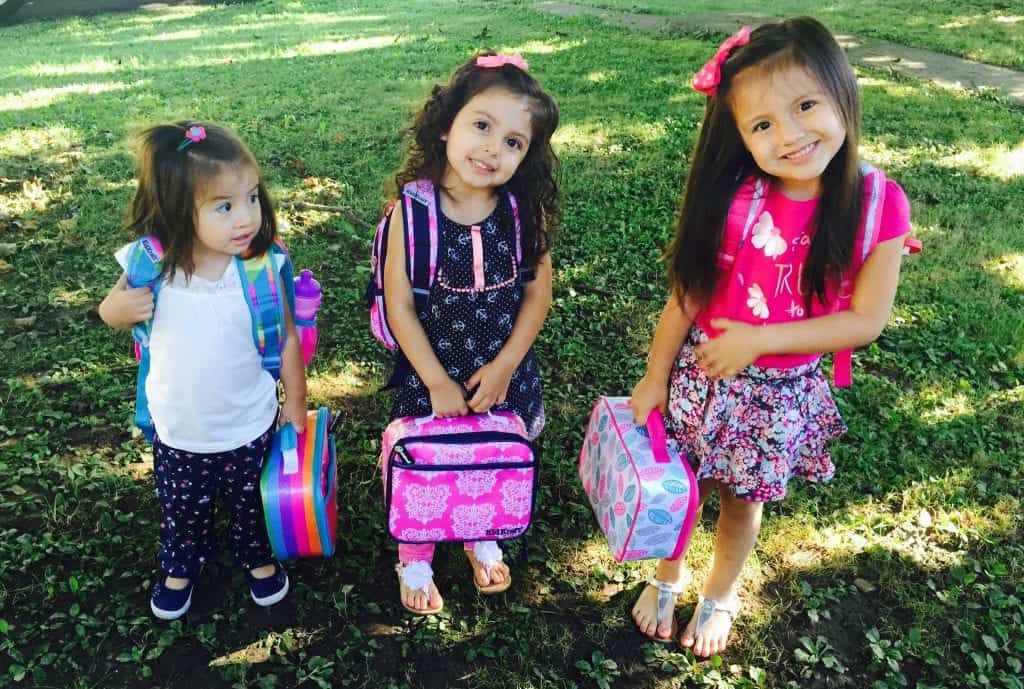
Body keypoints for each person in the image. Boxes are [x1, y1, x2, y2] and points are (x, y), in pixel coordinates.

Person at [629, 18, 912, 656]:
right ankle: (665, 578)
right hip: (701, 376)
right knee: (682, 488)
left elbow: (866, 320)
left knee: (741, 501)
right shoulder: (736, 199)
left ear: (843, 93)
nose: (789, 135)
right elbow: (688, 294)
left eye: (805, 105)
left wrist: (759, 342)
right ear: (741, 138)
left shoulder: (879, 205)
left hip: (780, 391)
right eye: (762, 125)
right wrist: (653, 378)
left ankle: (718, 595)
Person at [98, 122, 304, 620]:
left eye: (252, 197)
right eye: (225, 206)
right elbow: (110, 309)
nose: (247, 217)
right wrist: (119, 311)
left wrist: (295, 402)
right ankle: (180, 565)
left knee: (251, 501)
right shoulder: (151, 265)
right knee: (182, 509)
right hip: (179, 428)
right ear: (175, 209)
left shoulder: (259, 266)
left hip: (250, 421)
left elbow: (289, 336)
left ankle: (256, 556)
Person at [381, 53, 559, 614]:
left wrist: (506, 364)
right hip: (431, 367)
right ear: (445, 125)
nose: (492, 149)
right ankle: (416, 551)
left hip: (501, 368)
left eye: (513, 142)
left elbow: (537, 295)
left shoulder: (523, 213)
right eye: (481, 125)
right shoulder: (410, 214)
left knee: (491, 452)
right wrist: (435, 380)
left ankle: (482, 532)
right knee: (430, 458)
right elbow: (400, 305)